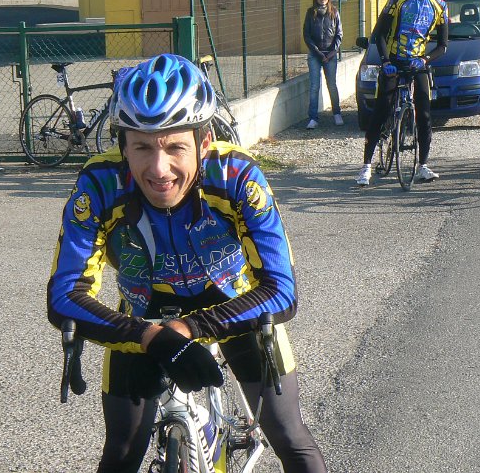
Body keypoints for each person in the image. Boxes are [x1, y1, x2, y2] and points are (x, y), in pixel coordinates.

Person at [47, 53, 328, 473]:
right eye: (142, 147)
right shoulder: (101, 184)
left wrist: (188, 329)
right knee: (121, 453)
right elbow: (64, 295)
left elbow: (281, 291)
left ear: (204, 141)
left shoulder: (235, 175)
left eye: (175, 146)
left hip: (231, 302)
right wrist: (151, 338)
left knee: (290, 437)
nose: (159, 169)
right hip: (144, 313)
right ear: (122, 146)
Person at [356, 0, 448, 186]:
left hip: (418, 63)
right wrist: (386, 61)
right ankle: (366, 167)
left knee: (424, 114)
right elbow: (379, 34)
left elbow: (443, 46)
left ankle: (423, 165)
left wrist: (425, 59)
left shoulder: (440, 5)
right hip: (393, 61)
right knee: (381, 110)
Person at [303, 0, 344, 129]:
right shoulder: (310, 13)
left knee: (331, 85)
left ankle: (337, 113)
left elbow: (339, 34)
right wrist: (318, 53)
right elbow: (306, 35)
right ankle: (313, 118)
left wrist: (332, 52)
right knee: (314, 86)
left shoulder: (334, 12)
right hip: (315, 55)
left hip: (330, 55)